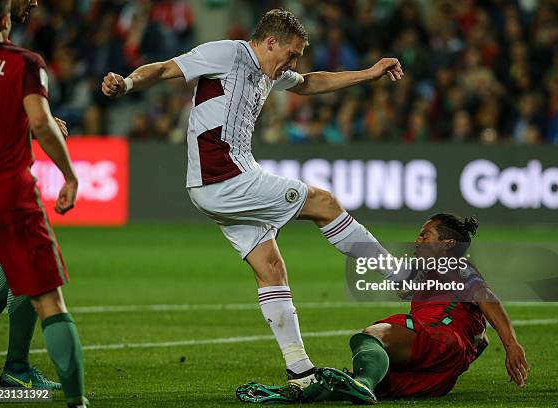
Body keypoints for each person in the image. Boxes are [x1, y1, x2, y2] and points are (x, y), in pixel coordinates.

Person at [102, 8, 403, 390]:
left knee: (270, 267)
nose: (293, 62)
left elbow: (309, 83)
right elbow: (163, 70)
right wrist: (127, 84)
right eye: (290, 53)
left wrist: (367, 73)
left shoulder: (268, 71)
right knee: (324, 203)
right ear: (270, 41)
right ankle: (400, 277)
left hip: (219, 184)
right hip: (226, 178)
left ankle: (300, 370)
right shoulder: (227, 53)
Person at [236, 214, 530, 404]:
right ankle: (298, 394)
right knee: (353, 379)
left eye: (425, 235)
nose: (417, 240)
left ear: (448, 244)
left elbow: (485, 295)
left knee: (371, 337)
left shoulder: (455, 265)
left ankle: (361, 383)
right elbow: (481, 340)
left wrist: (512, 343)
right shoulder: (432, 273)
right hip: (441, 376)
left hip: (438, 341)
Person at [0, 1, 87, 407]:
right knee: (48, 297)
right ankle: (71, 399)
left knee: (11, 274)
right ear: (5, 17)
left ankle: (17, 365)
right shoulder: (23, 61)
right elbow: (40, 122)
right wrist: (70, 174)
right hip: (9, 191)